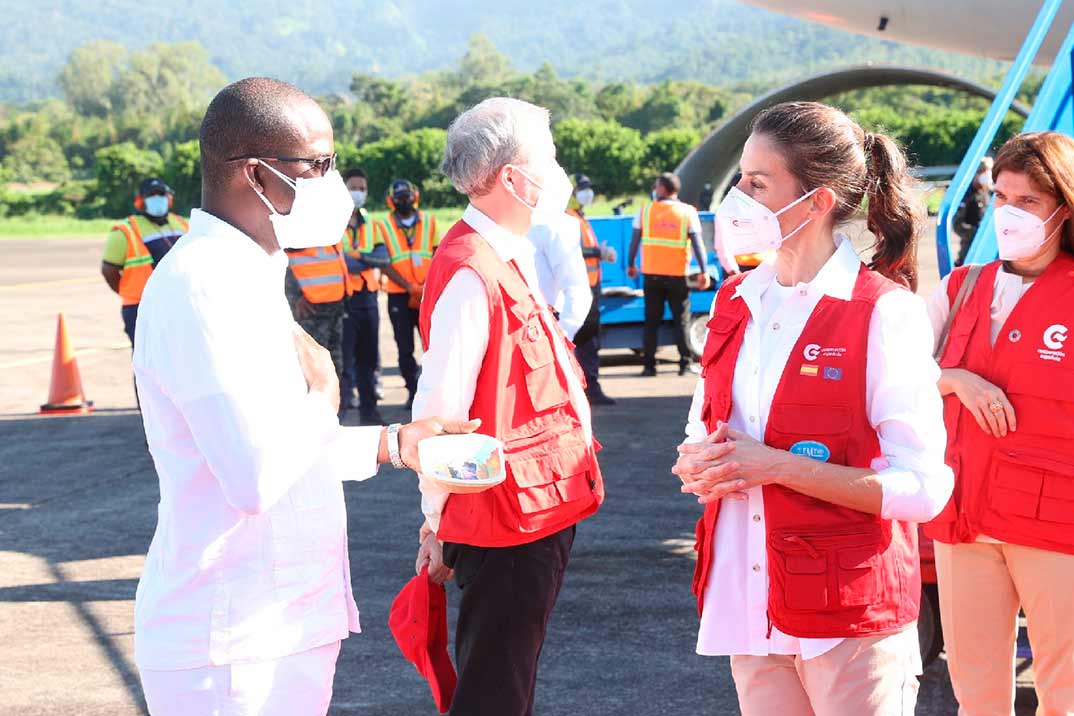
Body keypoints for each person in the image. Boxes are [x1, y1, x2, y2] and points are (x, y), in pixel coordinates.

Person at [130, 77, 477, 716]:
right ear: (256, 175)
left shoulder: (247, 275)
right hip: (233, 642)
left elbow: (272, 443)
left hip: (273, 625)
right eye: (317, 165)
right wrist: (324, 393)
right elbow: (255, 474)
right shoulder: (206, 287)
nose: (335, 182)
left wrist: (391, 444)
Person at [673, 101, 953, 715]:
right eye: (739, 178)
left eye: (757, 182)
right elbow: (708, 425)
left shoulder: (884, 312)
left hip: (847, 616)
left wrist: (773, 466)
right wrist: (700, 461)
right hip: (750, 598)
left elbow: (924, 488)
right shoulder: (736, 300)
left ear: (818, 200)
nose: (737, 198)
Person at [412, 97, 605, 716]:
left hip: (534, 509)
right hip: (502, 520)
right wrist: (435, 522)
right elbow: (438, 412)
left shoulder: (507, 253)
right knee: (495, 688)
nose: (556, 170)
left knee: (507, 678)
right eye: (544, 158)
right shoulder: (472, 270)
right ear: (510, 178)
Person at [925, 131, 1074, 715]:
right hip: (966, 521)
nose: (1009, 214)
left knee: (1064, 693)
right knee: (976, 693)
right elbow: (892, 374)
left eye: (1028, 201)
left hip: (1057, 527)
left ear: (1063, 207)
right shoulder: (960, 288)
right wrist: (957, 379)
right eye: (1001, 198)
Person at [627, 172, 713, 377]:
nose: (655, 190)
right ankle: (684, 364)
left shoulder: (645, 211)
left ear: (664, 189)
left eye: (657, 186)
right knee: (681, 321)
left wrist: (631, 264)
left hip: (652, 276)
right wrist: (704, 271)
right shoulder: (687, 212)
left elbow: (634, 241)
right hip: (677, 276)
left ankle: (649, 366)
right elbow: (698, 244)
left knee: (651, 322)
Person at [375, 179, 441, 410]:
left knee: (433, 345)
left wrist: (425, 286)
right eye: (400, 198)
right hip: (398, 295)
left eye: (407, 197)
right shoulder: (382, 226)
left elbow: (437, 255)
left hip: (426, 293)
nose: (404, 201)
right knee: (404, 348)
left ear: (415, 197)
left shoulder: (430, 222)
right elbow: (383, 263)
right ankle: (413, 393)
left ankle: (434, 393)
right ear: (392, 201)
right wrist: (408, 286)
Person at [282, 201, 351, 417]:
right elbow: (282, 259)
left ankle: (336, 412)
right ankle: (319, 416)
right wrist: (295, 298)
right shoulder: (296, 227)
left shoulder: (327, 229)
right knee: (313, 367)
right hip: (311, 310)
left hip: (334, 306)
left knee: (334, 361)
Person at [100, 178, 189, 346]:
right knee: (148, 366)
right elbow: (108, 270)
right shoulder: (125, 230)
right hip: (141, 308)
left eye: (161, 194)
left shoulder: (182, 224)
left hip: (178, 303)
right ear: (141, 201)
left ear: (168, 198)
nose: (157, 198)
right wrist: (129, 292)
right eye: (151, 195)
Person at [340, 167, 387, 425]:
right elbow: (342, 262)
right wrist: (366, 261)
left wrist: (359, 259)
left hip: (369, 299)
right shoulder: (332, 223)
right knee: (346, 363)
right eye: (353, 187)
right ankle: (343, 415)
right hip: (345, 299)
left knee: (369, 359)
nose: (358, 192)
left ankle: (370, 412)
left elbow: (384, 258)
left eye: (362, 188)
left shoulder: (372, 224)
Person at [567, 173, 617, 405]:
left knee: (590, 338)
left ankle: (589, 384)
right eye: (582, 188)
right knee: (585, 340)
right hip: (580, 289)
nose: (587, 192)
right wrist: (600, 253)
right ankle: (588, 386)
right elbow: (574, 250)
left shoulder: (579, 217)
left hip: (591, 286)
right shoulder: (566, 217)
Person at [954, 156, 995, 266]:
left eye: (989, 171)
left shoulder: (989, 193)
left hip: (989, 252)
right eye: (985, 171)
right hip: (970, 253)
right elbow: (957, 224)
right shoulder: (966, 195)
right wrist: (978, 233)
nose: (988, 174)